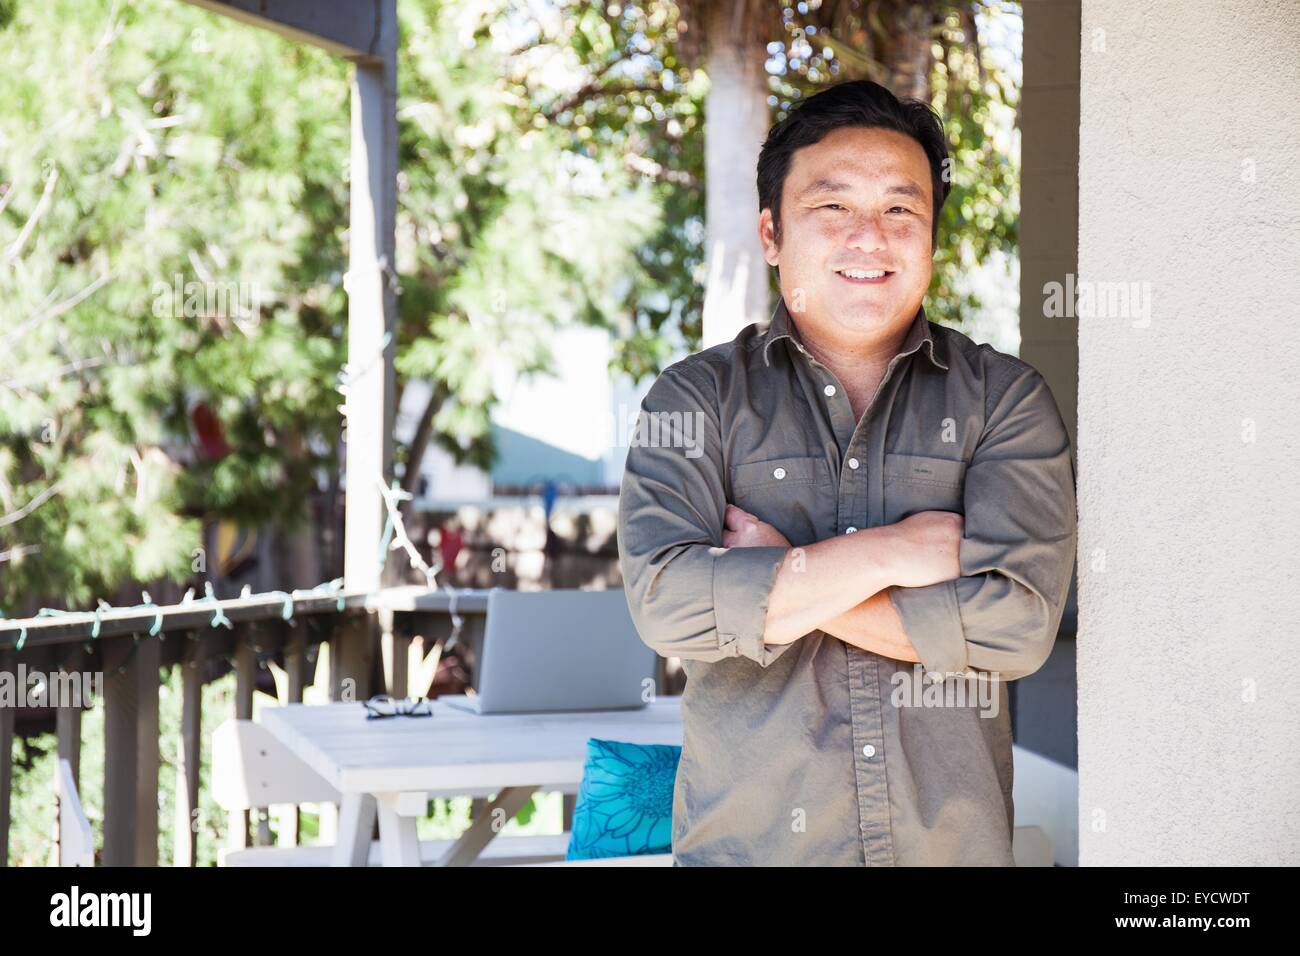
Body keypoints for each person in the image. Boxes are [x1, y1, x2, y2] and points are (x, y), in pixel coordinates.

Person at [616, 79, 1077, 865]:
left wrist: (773, 574)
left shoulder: (1003, 400)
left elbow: (1016, 626)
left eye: (901, 209)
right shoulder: (696, 397)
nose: (871, 237)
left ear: (930, 237)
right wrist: (897, 552)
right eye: (833, 207)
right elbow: (667, 602)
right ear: (771, 232)